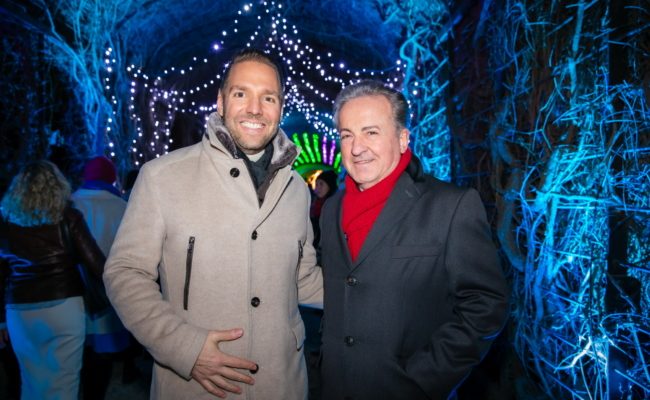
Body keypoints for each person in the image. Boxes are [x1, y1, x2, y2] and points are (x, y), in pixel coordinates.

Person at [103, 48, 323, 400]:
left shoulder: (297, 189)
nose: (255, 109)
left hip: (282, 384)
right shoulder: (162, 177)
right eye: (241, 94)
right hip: (197, 388)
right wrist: (183, 348)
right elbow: (125, 272)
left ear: (280, 108)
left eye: (268, 98)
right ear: (220, 102)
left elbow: (304, 278)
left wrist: (377, 289)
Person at [318, 80, 509, 400]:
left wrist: (421, 380)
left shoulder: (451, 206)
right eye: (346, 135)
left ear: (403, 139)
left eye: (371, 132)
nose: (356, 147)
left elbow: (486, 304)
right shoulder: (332, 208)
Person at [0, 160, 106, 400]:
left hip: (20, 310)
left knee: (31, 381)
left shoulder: (5, 222)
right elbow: (98, 265)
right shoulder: (69, 217)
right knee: (65, 383)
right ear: (58, 186)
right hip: (64, 306)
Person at [72, 155, 132, 399]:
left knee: (76, 351)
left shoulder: (69, 203)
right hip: (110, 290)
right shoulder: (122, 207)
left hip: (74, 291)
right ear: (111, 178)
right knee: (103, 352)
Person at [309, 170, 338, 251]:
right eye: (317, 184)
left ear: (330, 186)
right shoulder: (314, 205)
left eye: (321, 184)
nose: (317, 188)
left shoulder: (335, 207)